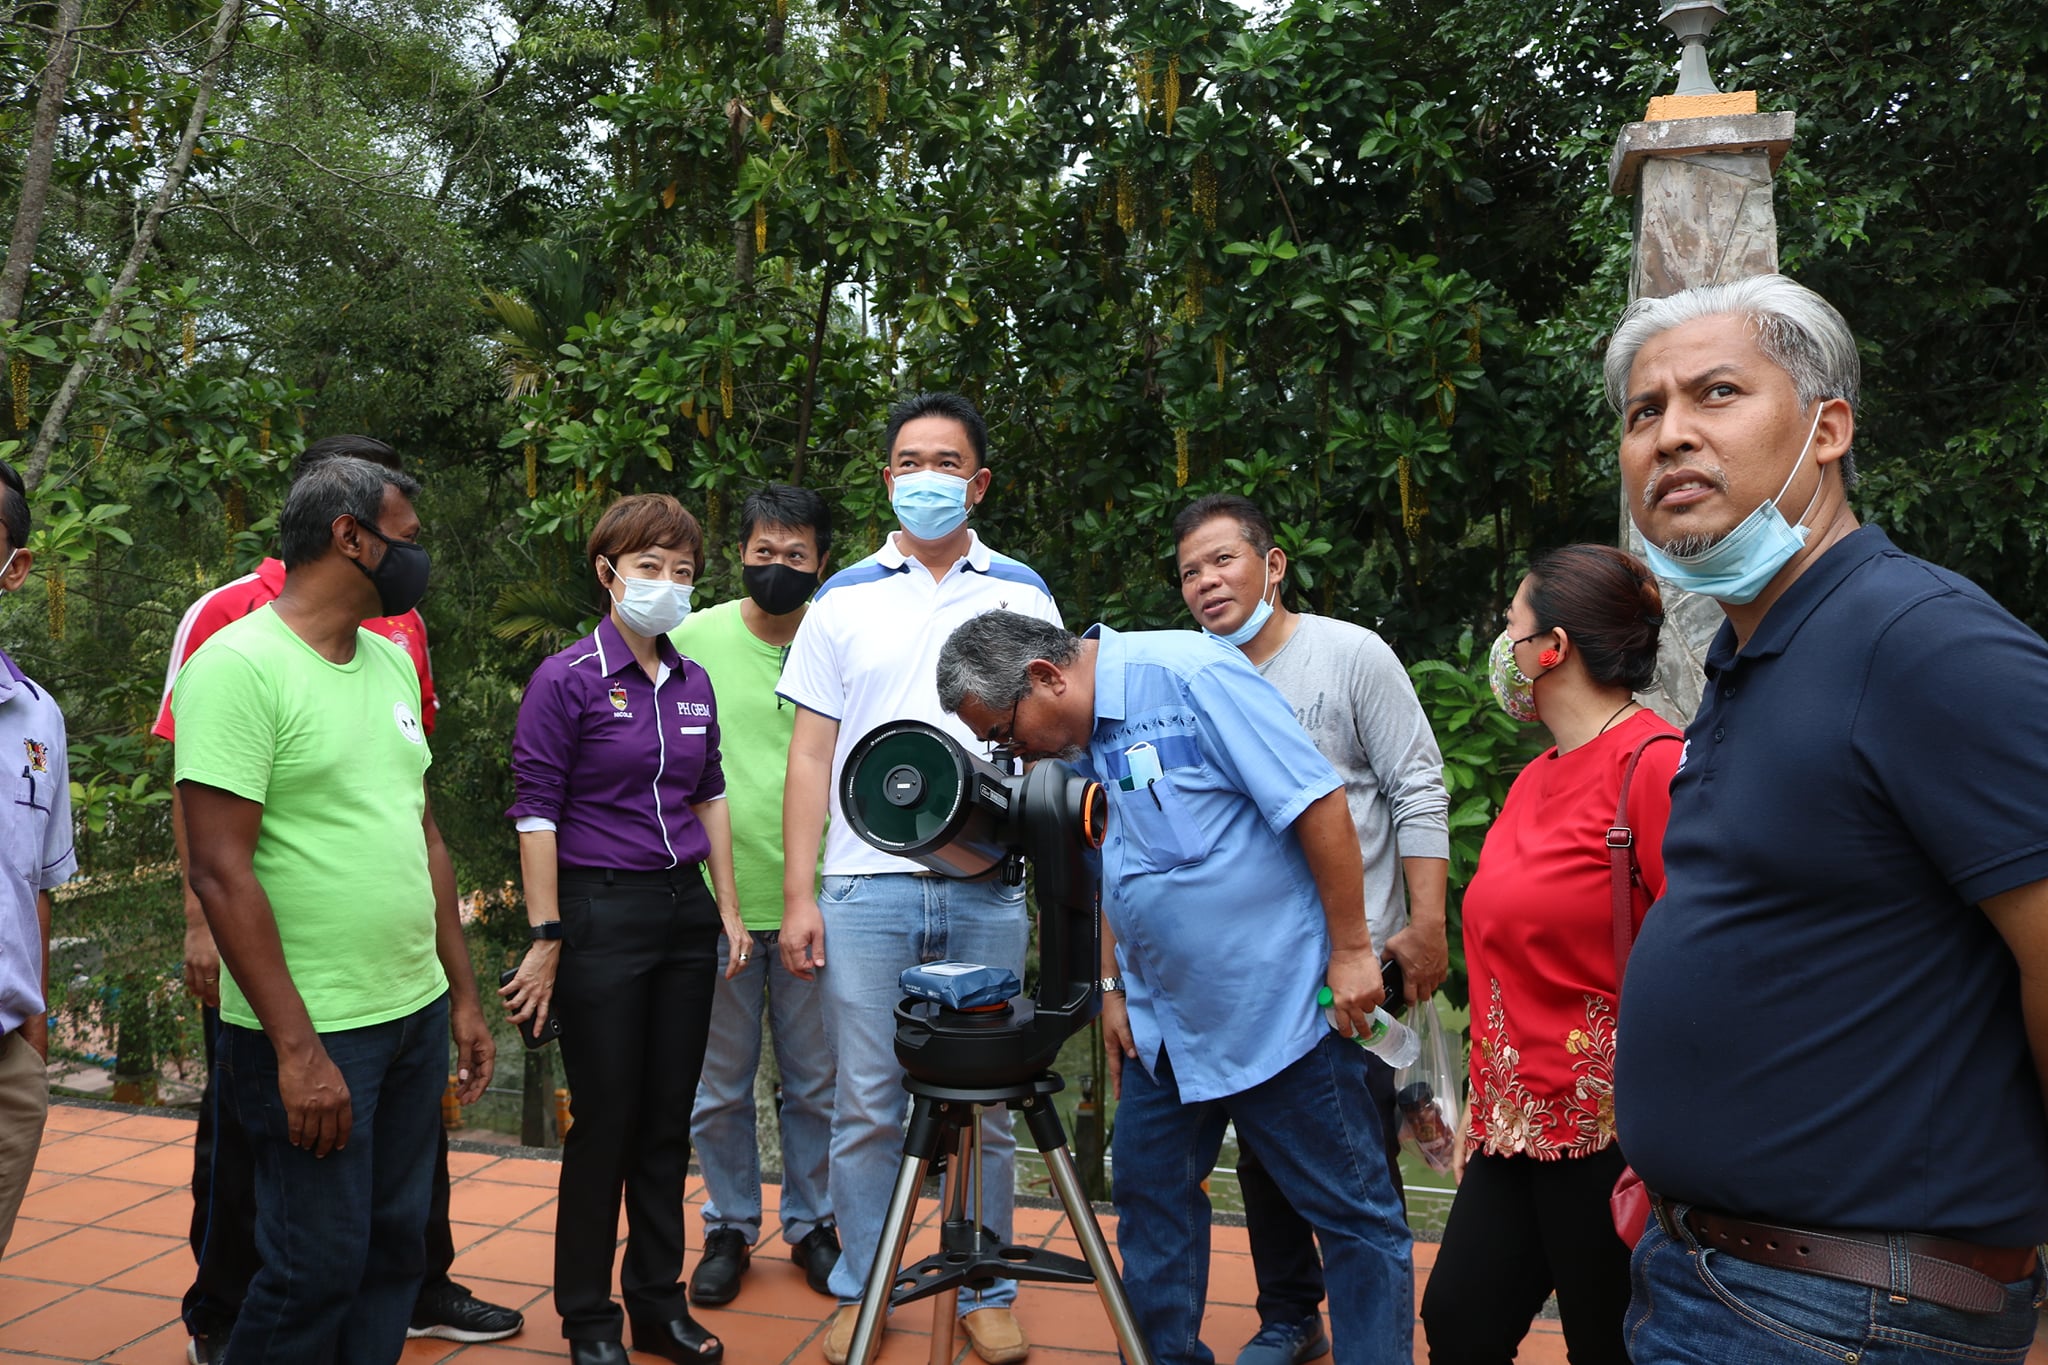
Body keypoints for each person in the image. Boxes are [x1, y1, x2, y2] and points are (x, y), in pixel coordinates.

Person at [1607, 274, 2048, 1362]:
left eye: (1715, 393)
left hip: (1844, 1313)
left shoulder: (1918, 640)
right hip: (1720, 1283)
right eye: (1642, 411)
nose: (1670, 435)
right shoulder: (1750, 651)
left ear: (1826, 430)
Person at [937, 610, 1416, 1365]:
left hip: (1273, 1006)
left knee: (1353, 1215)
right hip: (1163, 1021)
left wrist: (1354, 949)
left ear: (1044, 677)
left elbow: (1317, 801)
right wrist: (1112, 986)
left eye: (1003, 729)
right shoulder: (1084, 734)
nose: (1008, 750)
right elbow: (1120, 862)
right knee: (1151, 1201)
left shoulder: (1192, 676)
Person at [154, 435, 520, 1360]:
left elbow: (421, 831)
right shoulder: (237, 666)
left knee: (390, 1256)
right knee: (310, 1269)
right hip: (315, 1027)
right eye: (409, 534)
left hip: (410, 1012)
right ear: (354, 537)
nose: (419, 553)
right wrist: (296, 1049)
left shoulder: (390, 660)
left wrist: (463, 995)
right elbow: (218, 870)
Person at [777, 392, 1059, 1365]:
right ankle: (868, 1285)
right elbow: (811, 755)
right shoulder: (841, 597)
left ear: (977, 482)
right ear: (886, 477)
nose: (924, 476)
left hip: (986, 882)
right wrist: (798, 897)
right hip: (863, 888)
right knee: (866, 1099)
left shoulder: (1023, 592)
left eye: (945, 461)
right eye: (907, 461)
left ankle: (985, 1284)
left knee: (986, 1097)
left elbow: (1052, 740)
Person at [1168, 493, 1449, 1365]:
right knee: (1263, 1156)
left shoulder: (1347, 654)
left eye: (1223, 559)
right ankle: (1291, 1314)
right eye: (1188, 572)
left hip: (1349, 970)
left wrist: (1429, 923)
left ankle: (1380, 1335)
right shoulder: (1190, 677)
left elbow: (1416, 785)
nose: (1207, 582)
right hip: (1246, 976)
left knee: (1360, 1160)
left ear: (1273, 563)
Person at [503, 492, 751, 1365]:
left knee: (664, 1120)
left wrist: (725, 906)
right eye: (650, 567)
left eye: (683, 572)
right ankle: (589, 1318)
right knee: (605, 1119)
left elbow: (709, 792)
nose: (668, 585)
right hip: (599, 914)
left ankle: (656, 1303)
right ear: (608, 572)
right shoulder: (565, 677)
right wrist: (547, 931)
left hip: (684, 913)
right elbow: (536, 813)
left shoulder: (693, 681)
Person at [1417, 545, 1677, 1365]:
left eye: (1512, 626)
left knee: (1607, 1345)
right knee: (1459, 1319)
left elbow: (1704, 959)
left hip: (1609, 1132)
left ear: (1552, 647)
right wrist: (1486, 1102)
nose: (1504, 642)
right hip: (1510, 1127)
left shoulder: (1655, 764)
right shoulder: (1536, 777)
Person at [674, 484, 840, 1305]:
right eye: (765, 552)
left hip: (819, 901)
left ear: (824, 562)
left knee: (817, 1082)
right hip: (717, 901)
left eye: (797, 555)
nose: (779, 567)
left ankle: (814, 1223)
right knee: (720, 1084)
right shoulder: (691, 636)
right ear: (741, 553)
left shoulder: (842, 639)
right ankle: (730, 1223)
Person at [0, 457, 76, 1254]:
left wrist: (35, 1024)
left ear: (15, 568)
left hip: (7, 1063)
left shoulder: (38, 717)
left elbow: (41, 882)